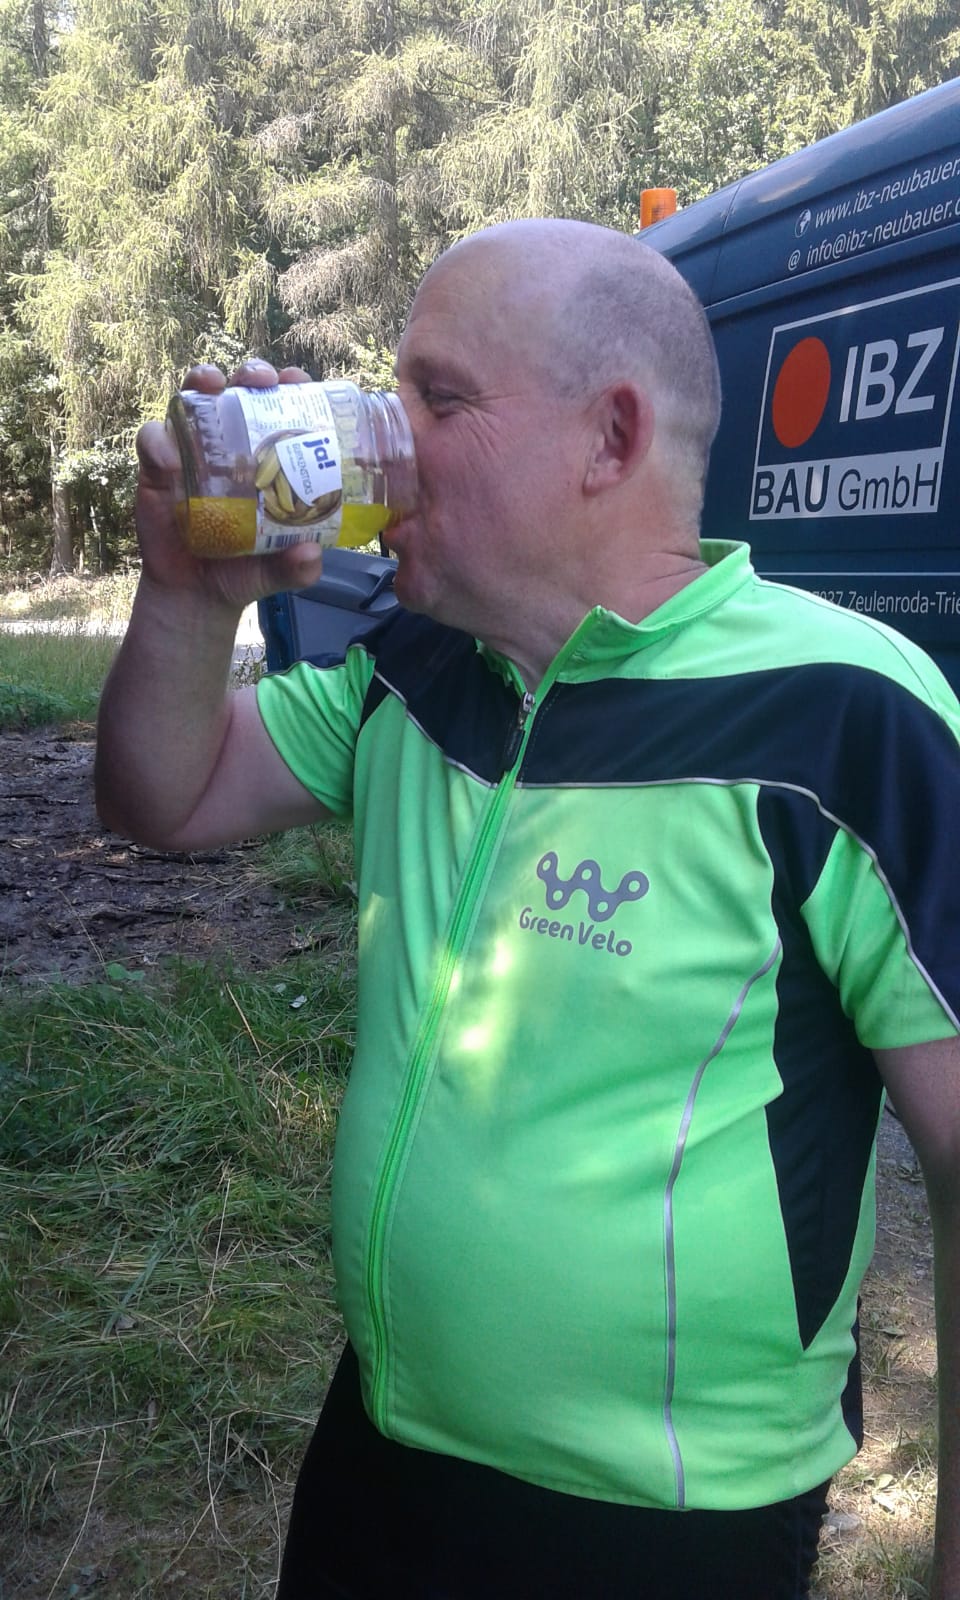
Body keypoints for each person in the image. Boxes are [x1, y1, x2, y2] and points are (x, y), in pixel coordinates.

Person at [95, 218, 960, 1600]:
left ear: (611, 438)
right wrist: (186, 594)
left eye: (438, 399)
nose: (388, 435)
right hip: (385, 1438)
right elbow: (165, 796)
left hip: (671, 1518)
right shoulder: (418, 666)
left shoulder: (843, 715)